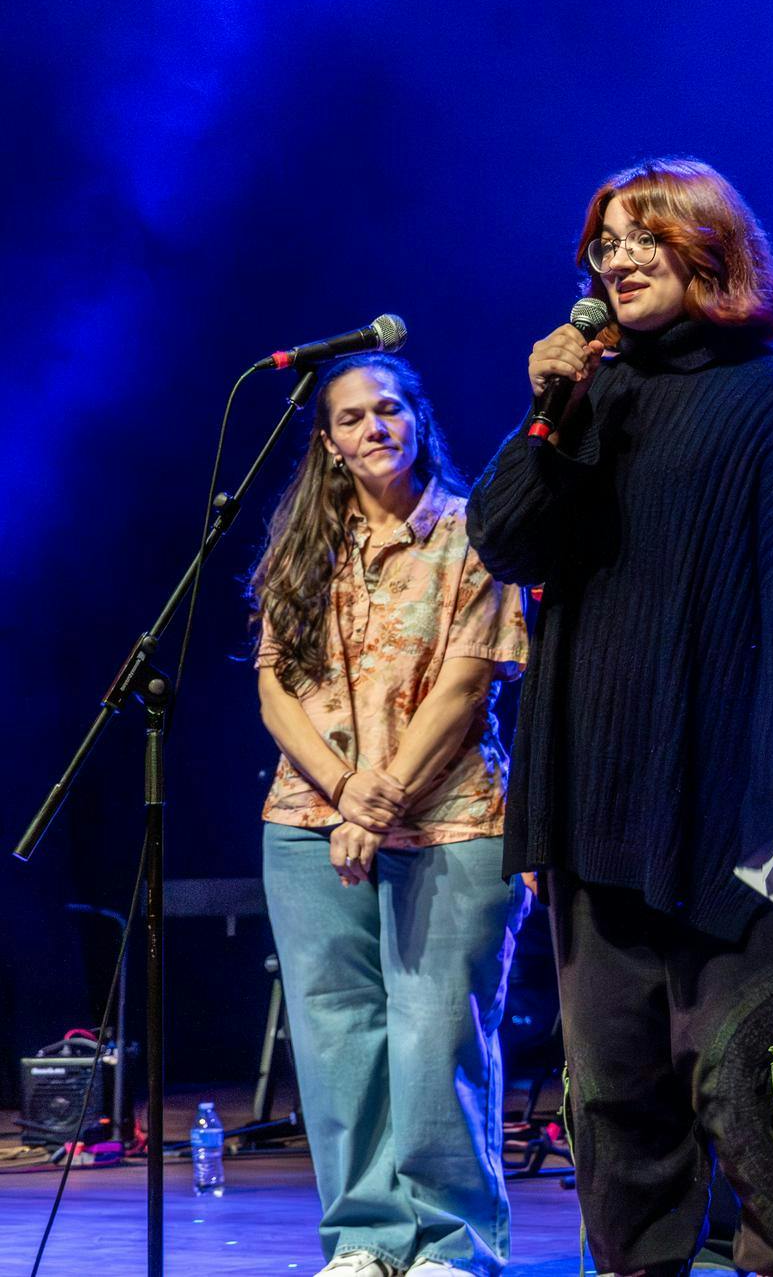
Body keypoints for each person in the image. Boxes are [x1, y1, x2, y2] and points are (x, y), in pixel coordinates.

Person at [466, 158, 773, 1277]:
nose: (617, 261)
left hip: (737, 834)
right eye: (604, 245)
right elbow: (501, 539)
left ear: (711, 255)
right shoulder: (594, 397)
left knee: (758, 1117)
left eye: (644, 239)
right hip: (596, 826)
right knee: (617, 1122)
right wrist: (548, 411)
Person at [250, 352, 532, 1277]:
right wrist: (342, 791)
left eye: (391, 409)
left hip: (448, 816)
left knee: (436, 1029)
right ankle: (367, 1236)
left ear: (418, 419)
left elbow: (465, 682)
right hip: (308, 817)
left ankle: (453, 1240)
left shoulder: (470, 531)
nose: (375, 427)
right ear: (327, 443)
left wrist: (380, 798)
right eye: (353, 417)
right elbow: (273, 690)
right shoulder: (306, 543)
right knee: (336, 1034)